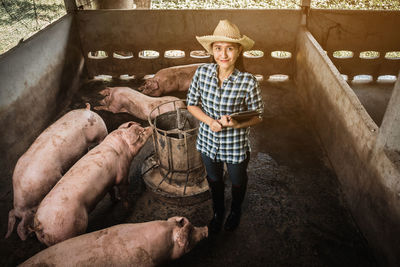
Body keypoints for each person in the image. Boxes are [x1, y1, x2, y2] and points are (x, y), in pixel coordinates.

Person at [186, 19, 264, 233]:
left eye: (230, 48)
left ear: (239, 51)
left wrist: (237, 123)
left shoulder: (248, 81)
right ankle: (218, 211)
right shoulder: (202, 73)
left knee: (238, 179)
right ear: (212, 50)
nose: (223, 54)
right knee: (214, 179)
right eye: (218, 48)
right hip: (207, 142)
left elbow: (258, 116)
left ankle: (235, 210)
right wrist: (210, 121)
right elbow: (191, 104)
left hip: (235, 146)